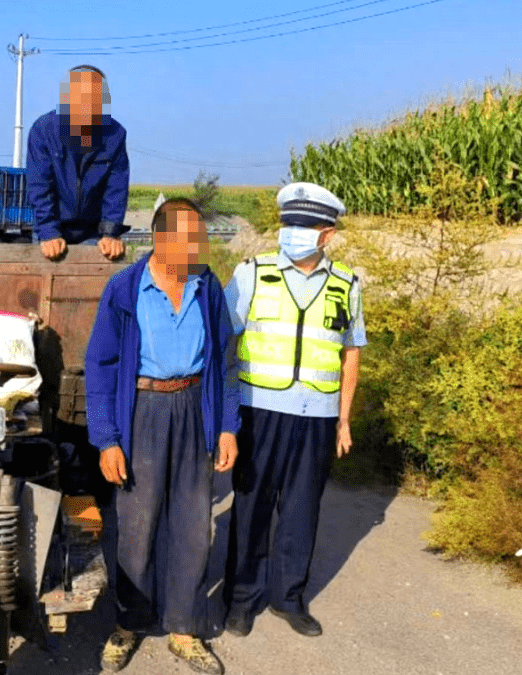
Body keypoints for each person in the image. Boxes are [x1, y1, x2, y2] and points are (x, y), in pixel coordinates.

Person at [85, 198, 240, 674]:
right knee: (137, 525)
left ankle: (184, 627)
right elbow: (100, 365)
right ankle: (129, 622)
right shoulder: (125, 289)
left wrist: (227, 427)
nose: (197, 247)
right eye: (187, 238)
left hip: (194, 407)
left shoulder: (207, 287)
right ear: (160, 238)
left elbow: (225, 361)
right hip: (143, 410)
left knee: (193, 525)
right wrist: (107, 439)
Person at [223, 182, 366, 638]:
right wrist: (224, 415)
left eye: (304, 226)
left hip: (317, 416)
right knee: (252, 507)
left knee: (302, 511)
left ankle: (288, 598)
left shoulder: (347, 284)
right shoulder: (252, 273)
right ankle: (241, 599)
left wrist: (343, 419)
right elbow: (224, 341)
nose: (293, 233)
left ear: (327, 235)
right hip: (259, 411)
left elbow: (351, 354)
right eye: (289, 224)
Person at [26, 65, 129, 261]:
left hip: (94, 232)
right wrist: (48, 232)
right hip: (53, 229)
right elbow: (39, 186)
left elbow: (116, 189)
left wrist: (110, 233)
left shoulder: (115, 134)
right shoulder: (43, 130)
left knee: (102, 273)